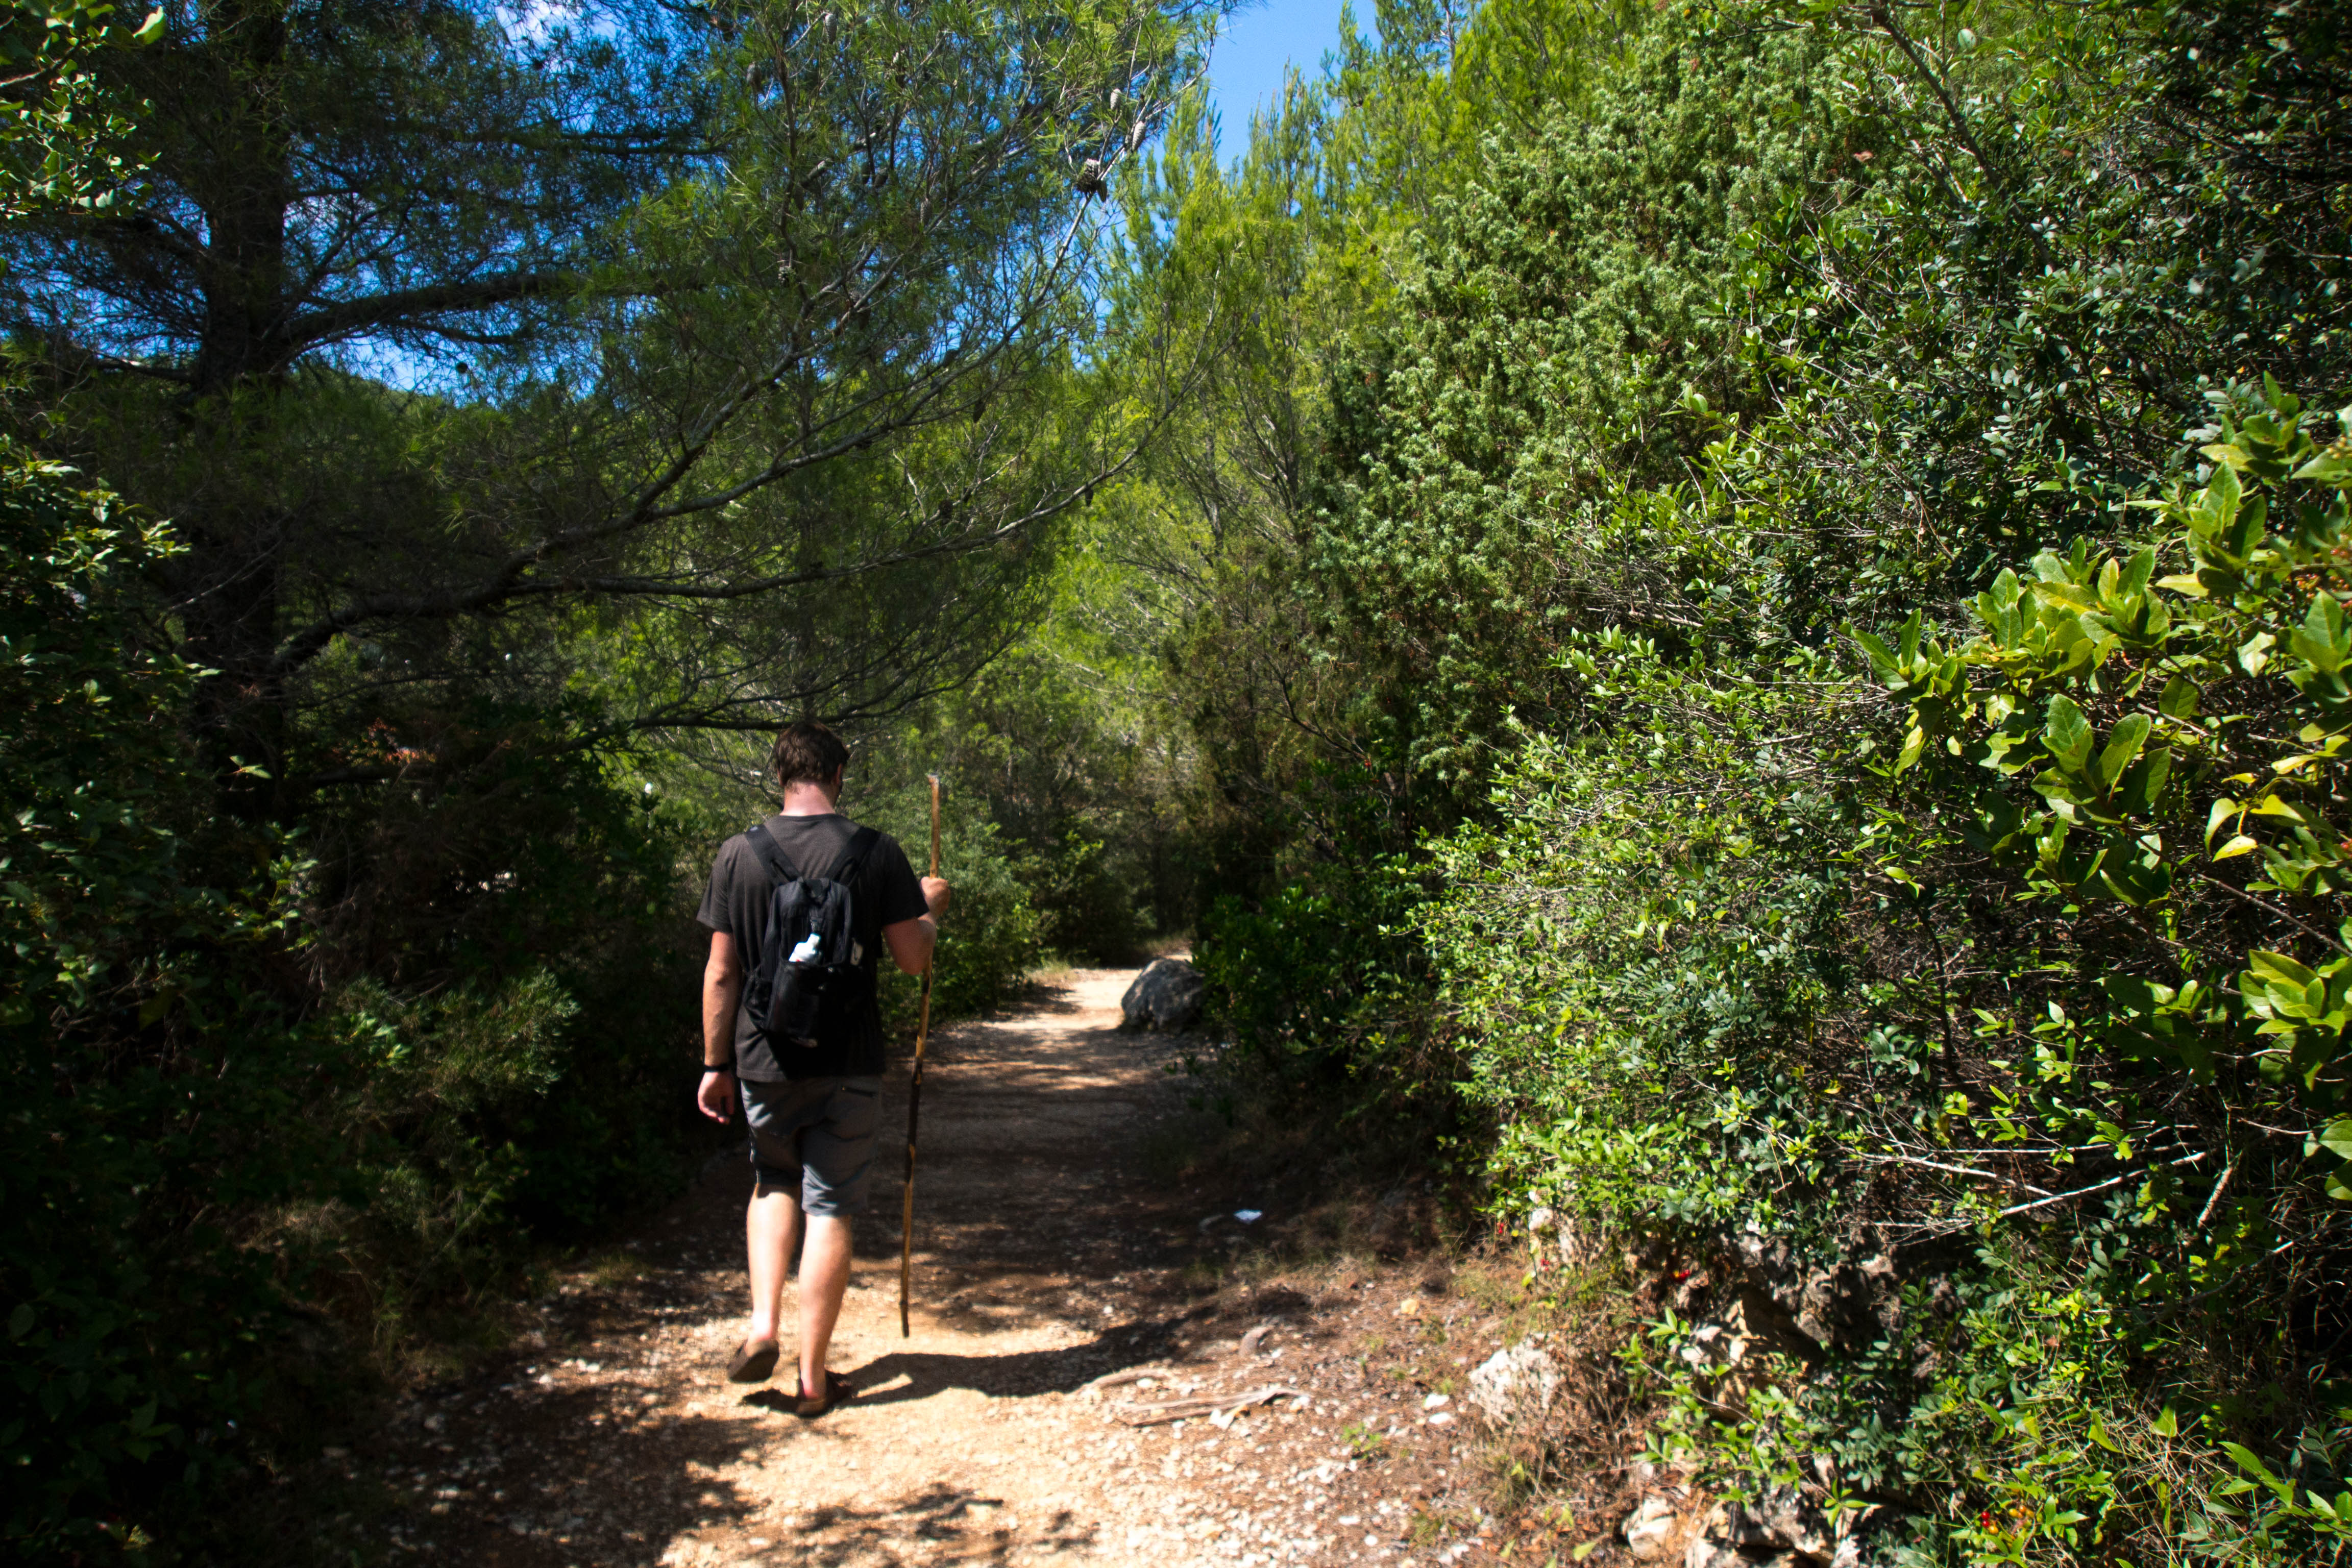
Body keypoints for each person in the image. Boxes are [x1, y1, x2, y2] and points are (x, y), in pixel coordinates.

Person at [693, 719, 950, 1417]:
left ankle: (762, 1326)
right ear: (839, 774)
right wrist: (928, 911)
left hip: (763, 1058)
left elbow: (722, 973)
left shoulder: (738, 854)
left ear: (779, 774)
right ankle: (812, 1379)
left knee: (773, 1180)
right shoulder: (878, 852)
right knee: (829, 1205)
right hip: (848, 1061)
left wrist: (715, 1064)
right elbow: (912, 959)